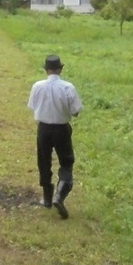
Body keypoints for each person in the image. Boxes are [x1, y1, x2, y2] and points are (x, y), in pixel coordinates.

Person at [27, 54, 83, 219]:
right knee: (66, 162)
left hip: (43, 129)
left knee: (44, 162)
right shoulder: (68, 87)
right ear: (60, 69)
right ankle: (60, 195)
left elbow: (32, 106)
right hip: (62, 129)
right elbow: (76, 111)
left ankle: (47, 198)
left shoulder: (37, 86)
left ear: (46, 70)